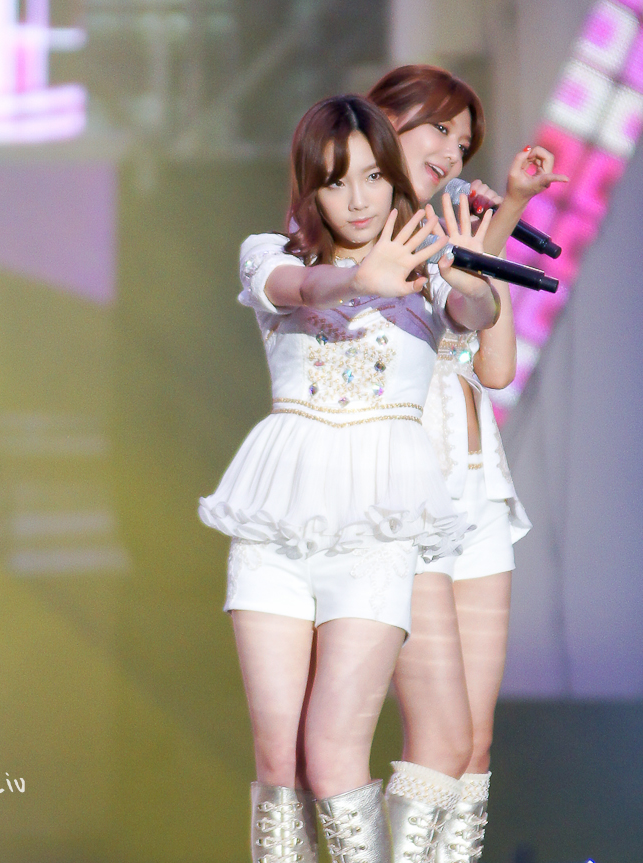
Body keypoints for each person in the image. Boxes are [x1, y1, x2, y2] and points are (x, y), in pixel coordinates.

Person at [198, 94, 499, 863]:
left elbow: (478, 312)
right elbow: (304, 291)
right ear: (311, 189)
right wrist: (363, 279)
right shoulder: (271, 254)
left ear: (393, 176)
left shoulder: (426, 271)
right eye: (336, 182)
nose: (358, 198)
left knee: (333, 755)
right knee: (279, 762)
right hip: (275, 529)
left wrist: (464, 272)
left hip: (376, 535)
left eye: (372, 176)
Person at [366, 65, 565, 862]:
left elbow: (496, 365)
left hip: (479, 496)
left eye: (463, 141)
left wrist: (501, 215)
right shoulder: (360, 237)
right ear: (385, 122)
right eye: (439, 128)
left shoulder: (449, 234)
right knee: (438, 740)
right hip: (407, 499)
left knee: (475, 746)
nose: (452, 151)